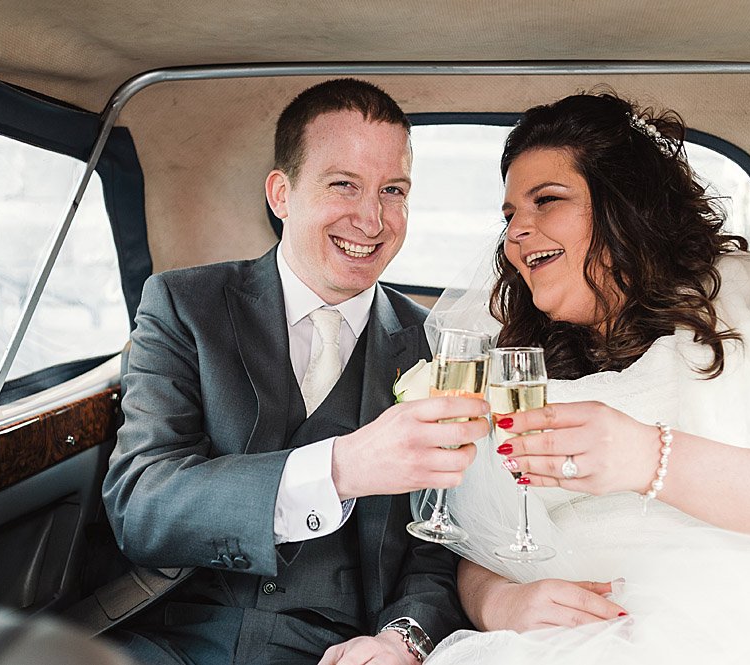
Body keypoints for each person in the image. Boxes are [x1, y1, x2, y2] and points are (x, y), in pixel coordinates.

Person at [423, 90, 750, 664]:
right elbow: (481, 535)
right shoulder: (509, 353)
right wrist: (497, 602)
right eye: (510, 216)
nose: (517, 230)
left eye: (547, 200)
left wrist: (651, 457)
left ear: (626, 204)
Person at [102, 78, 488, 665]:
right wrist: (339, 469)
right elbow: (141, 505)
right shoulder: (184, 305)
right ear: (281, 194)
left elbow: (439, 547)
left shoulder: (436, 349)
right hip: (168, 637)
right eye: (344, 185)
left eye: (393, 190)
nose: (372, 220)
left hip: (340, 650)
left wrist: (403, 639)